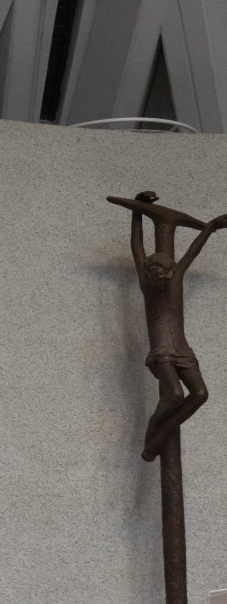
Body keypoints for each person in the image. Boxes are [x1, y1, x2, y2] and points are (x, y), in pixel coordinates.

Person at [107, 191, 227, 461]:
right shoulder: (147, 287)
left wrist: (211, 226)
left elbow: (193, 251)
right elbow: (136, 246)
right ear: (148, 272)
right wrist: (137, 209)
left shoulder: (176, 279)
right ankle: (153, 433)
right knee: (173, 394)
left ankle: (162, 431)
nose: (159, 274)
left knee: (200, 393)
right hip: (162, 351)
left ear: (171, 270)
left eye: (164, 269)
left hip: (182, 349)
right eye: (153, 270)